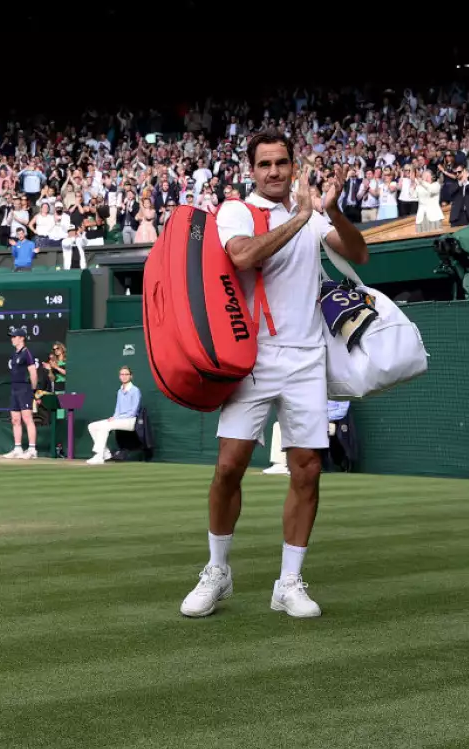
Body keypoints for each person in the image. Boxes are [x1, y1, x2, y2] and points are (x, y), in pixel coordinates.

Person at [178, 130, 368, 620]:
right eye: (265, 164)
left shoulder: (312, 211)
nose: (275, 171)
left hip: (307, 358)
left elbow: (357, 254)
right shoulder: (238, 210)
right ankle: (218, 572)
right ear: (252, 169)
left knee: (306, 470)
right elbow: (242, 255)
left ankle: (289, 582)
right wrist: (303, 217)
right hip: (253, 357)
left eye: (282, 162)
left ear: (292, 164)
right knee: (228, 467)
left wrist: (335, 211)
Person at [86, 366, 142, 465]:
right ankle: (106, 453)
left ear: (131, 376)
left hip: (130, 421)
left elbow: (133, 411)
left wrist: (117, 418)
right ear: (119, 377)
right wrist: (114, 417)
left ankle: (99, 456)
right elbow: (118, 408)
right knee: (92, 426)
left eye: (126, 374)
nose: (124, 376)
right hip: (119, 420)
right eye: (122, 374)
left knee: (105, 426)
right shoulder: (120, 391)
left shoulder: (135, 390)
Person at [3, 329, 39, 460]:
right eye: (11, 337)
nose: (12, 339)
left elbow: (33, 373)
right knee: (15, 420)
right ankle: (17, 448)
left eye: (14, 337)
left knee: (27, 418)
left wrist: (33, 391)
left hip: (25, 389)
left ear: (21, 338)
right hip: (14, 389)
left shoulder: (27, 353)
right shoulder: (14, 354)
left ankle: (32, 449)